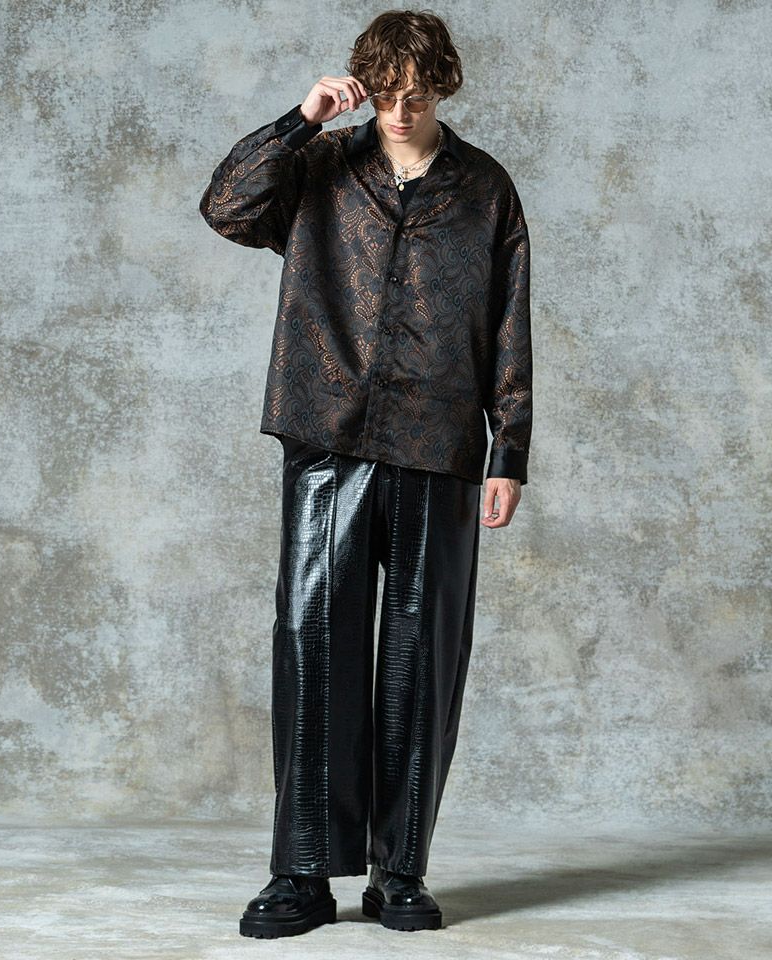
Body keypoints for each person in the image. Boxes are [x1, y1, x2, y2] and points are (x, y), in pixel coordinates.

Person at [198, 8, 532, 938]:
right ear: (367, 87)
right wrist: (300, 119)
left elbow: (510, 322)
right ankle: (301, 871)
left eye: (416, 92)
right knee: (313, 646)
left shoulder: (486, 189)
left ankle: (400, 871)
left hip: (438, 443)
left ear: (443, 87)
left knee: (424, 657)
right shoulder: (319, 168)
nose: (400, 108)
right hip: (326, 433)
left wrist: (508, 450)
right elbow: (227, 208)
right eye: (385, 91)